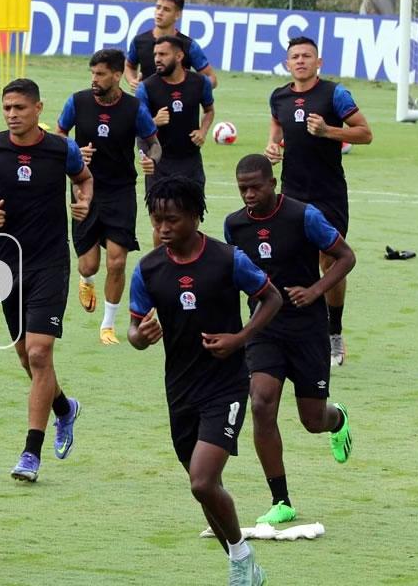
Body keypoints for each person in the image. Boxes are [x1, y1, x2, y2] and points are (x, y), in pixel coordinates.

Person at [127, 175, 280, 586]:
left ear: (195, 216)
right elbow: (134, 329)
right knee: (206, 489)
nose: (162, 228)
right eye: (156, 220)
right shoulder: (149, 269)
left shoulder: (228, 260)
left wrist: (240, 338)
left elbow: (272, 297)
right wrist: (140, 336)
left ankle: (241, 560)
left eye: (172, 220)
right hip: (180, 390)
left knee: (202, 481)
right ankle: (245, 566)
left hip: (225, 386)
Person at [0, 78, 93, 482]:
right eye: (7, 108)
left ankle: (30, 454)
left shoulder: (62, 149)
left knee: (39, 353)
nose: (12, 114)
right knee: (25, 356)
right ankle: (64, 409)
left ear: (39, 108)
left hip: (50, 262)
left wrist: (84, 201)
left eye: (19, 107)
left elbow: (84, 179)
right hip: (7, 263)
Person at [224, 154, 355, 525]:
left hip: (307, 329)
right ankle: (280, 499)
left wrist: (315, 291)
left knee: (312, 419)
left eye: (255, 187)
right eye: (242, 188)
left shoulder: (304, 216)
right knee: (261, 403)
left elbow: (346, 257)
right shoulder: (234, 225)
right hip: (264, 328)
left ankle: (337, 419)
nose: (249, 195)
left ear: (272, 183)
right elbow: (233, 274)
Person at [264, 36, 372, 366]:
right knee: (291, 260)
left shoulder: (334, 94)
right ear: (287, 63)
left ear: (318, 62)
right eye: (295, 56)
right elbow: (277, 126)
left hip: (328, 193)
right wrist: (272, 147)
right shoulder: (278, 97)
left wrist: (329, 132)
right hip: (292, 192)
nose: (301, 61)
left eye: (307, 56)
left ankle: (334, 332)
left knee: (330, 260)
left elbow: (365, 133)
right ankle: (292, 333)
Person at [57, 48, 160, 344]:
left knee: (116, 262)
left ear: (116, 75)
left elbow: (153, 143)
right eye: (92, 73)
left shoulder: (134, 108)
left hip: (121, 191)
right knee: (89, 264)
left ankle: (108, 325)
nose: (94, 79)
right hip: (84, 188)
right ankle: (86, 279)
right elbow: (59, 136)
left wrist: (151, 159)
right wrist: (73, 152)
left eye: (100, 74)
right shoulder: (77, 102)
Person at [136, 35, 214, 246]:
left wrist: (203, 131)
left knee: (192, 220)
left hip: (190, 162)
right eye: (155, 54)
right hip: (160, 164)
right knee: (160, 224)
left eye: (163, 54)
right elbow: (138, 126)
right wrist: (154, 121)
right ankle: (161, 264)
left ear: (179, 56)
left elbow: (209, 110)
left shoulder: (200, 83)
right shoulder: (146, 87)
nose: (157, 59)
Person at [124, 0, 216, 92]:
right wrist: (132, 81)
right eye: (158, 7)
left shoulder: (189, 45)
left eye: (166, 9)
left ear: (177, 15)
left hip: (179, 101)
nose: (160, 12)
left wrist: (193, 91)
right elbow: (129, 66)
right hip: (147, 101)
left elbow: (211, 78)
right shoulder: (139, 41)